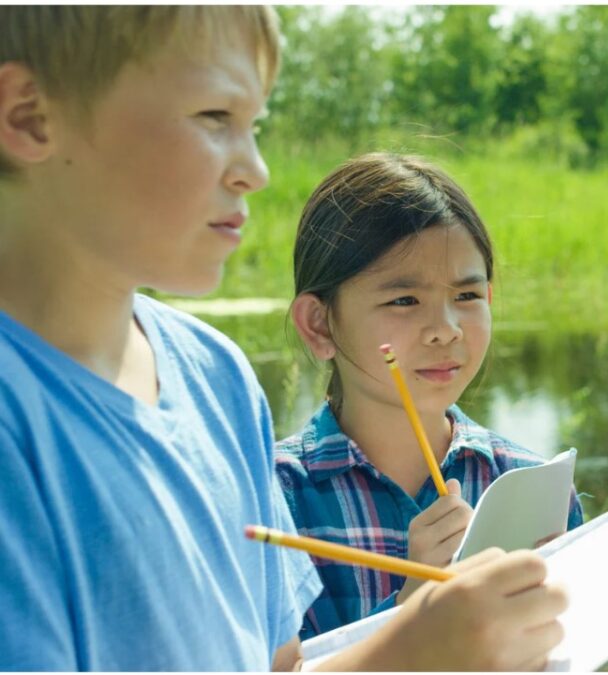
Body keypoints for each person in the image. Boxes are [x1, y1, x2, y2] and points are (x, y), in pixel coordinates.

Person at [0, 7, 566, 671]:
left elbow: (279, 666)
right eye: (214, 117)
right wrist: (409, 649)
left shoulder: (217, 376)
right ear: (31, 115)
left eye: (255, 126)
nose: (256, 170)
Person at [276, 152, 585, 638]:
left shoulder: (529, 485)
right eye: (404, 300)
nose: (444, 330)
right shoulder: (276, 497)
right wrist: (410, 613)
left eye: (466, 296)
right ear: (319, 324)